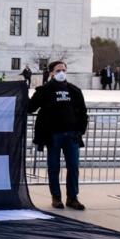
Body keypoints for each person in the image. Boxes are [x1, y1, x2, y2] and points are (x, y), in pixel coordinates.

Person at [27, 60, 88, 211]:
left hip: (72, 136)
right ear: (52, 73)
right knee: (53, 168)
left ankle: (72, 198)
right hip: (53, 136)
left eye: (64, 70)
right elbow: (30, 108)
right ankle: (56, 197)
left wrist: (80, 130)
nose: (62, 73)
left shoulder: (74, 90)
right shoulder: (44, 90)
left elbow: (82, 112)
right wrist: (23, 92)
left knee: (73, 167)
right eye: (58, 70)